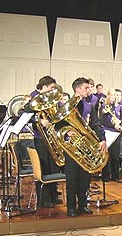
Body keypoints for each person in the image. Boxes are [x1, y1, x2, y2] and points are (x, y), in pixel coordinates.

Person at [57, 77, 107, 217]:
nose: (89, 90)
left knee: (85, 177)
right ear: (77, 89)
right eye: (86, 88)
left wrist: (102, 139)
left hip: (85, 146)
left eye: (89, 88)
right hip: (72, 147)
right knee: (72, 178)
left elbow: (95, 123)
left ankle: (83, 205)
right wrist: (67, 131)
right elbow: (57, 124)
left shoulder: (89, 104)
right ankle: (71, 207)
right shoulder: (66, 105)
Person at [29, 76, 61, 207]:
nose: (53, 91)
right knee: (44, 168)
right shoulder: (34, 99)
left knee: (54, 167)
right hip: (41, 139)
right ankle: (44, 199)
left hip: (52, 137)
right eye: (51, 88)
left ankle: (53, 195)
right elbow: (24, 115)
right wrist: (39, 121)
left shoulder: (52, 99)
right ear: (43, 88)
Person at [99, 88, 122, 182]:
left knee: (115, 155)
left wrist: (119, 123)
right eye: (111, 95)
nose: (113, 97)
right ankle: (106, 176)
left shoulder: (118, 106)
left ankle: (115, 176)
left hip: (116, 133)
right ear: (108, 96)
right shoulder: (104, 106)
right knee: (107, 155)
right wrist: (113, 125)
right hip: (108, 132)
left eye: (114, 95)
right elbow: (103, 120)